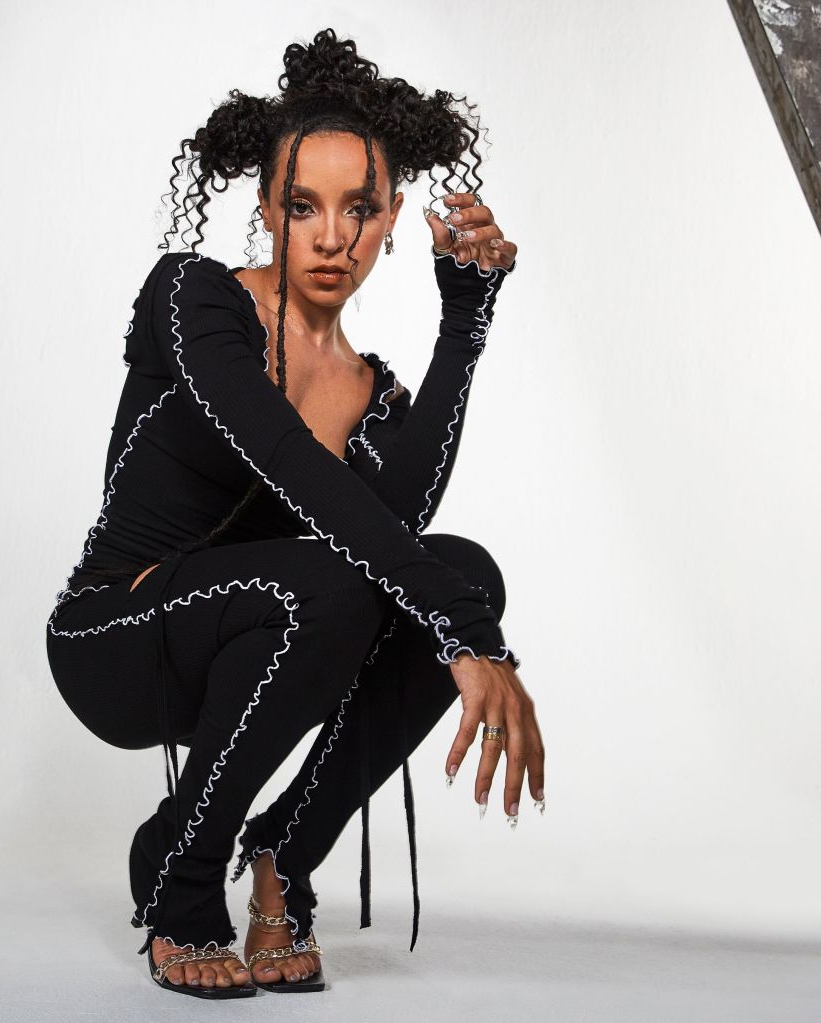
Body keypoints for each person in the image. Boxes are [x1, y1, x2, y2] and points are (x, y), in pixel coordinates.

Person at [45, 26, 546, 1000]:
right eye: (304, 205)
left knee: (461, 568)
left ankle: (285, 854)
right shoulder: (195, 301)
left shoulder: (371, 390)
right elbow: (285, 459)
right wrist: (469, 636)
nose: (331, 236)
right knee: (353, 579)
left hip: (271, 648)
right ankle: (187, 877)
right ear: (268, 207)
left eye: (360, 208)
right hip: (119, 637)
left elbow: (395, 537)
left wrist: (465, 323)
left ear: (393, 217)